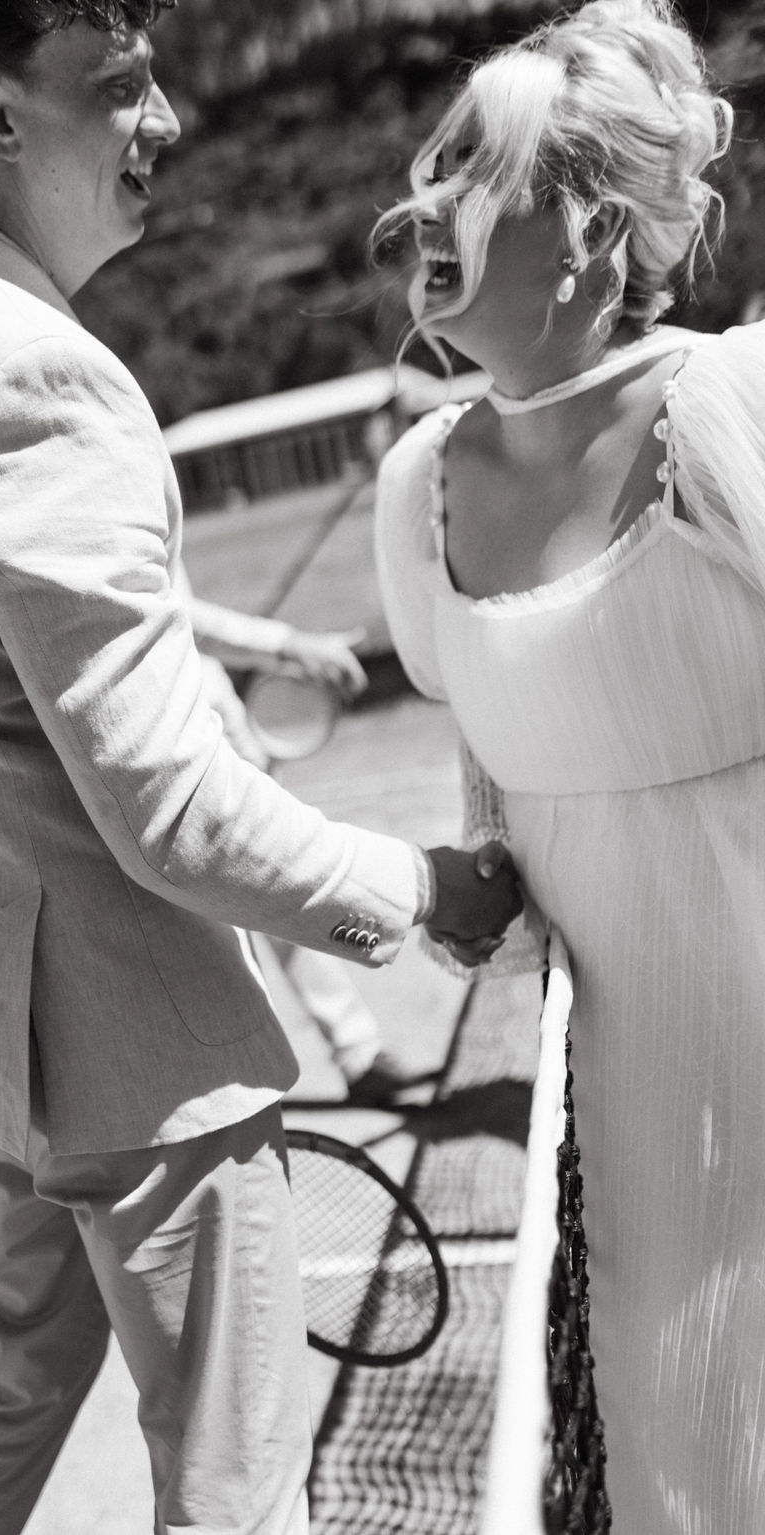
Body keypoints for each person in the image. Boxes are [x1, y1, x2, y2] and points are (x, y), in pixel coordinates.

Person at [0, 4, 522, 1532]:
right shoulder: (32, 376)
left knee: (6, 1386)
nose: (166, 118)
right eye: (120, 85)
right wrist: (427, 888)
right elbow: (176, 812)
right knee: (234, 1490)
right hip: (143, 1056)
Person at [372, 0, 765, 1527]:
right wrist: (480, 872)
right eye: (431, 164)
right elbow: (500, 771)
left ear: (595, 231)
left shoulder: (730, 407)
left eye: (474, 169)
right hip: (639, 1148)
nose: (423, 202)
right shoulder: (417, 489)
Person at [185, 588, 422, 1104]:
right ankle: (244, 1079)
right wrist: (288, 644)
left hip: (213, 717)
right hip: (182, 738)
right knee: (228, 908)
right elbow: (168, 613)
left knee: (276, 881)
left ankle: (356, 1052)